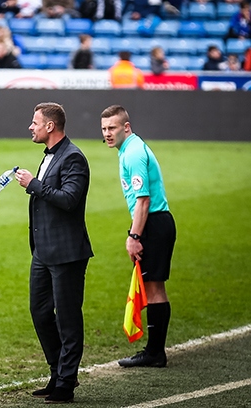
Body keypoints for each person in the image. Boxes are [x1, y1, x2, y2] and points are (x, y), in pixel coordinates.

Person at [15, 102, 93, 404]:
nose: (30, 127)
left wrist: (34, 185)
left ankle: (66, 383)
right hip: (43, 252)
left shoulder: (74, 158)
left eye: (35, 122)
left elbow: (70, 199)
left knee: (68, 319)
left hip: (67, 253)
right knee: (40, 312)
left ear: (50, 126)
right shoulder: (48, 157)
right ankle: (56, 371)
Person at [100, 105, 176, 368]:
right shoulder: (130, 149)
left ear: (126, 127)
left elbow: (143, 201)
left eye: (112, 128)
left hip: (153, 224)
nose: (107, 134)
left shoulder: (132, 153)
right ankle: (155, 351)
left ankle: (155, 353)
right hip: (156, 223)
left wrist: (134, 236)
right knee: (155, 286)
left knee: (154, 288)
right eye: (104, 129)